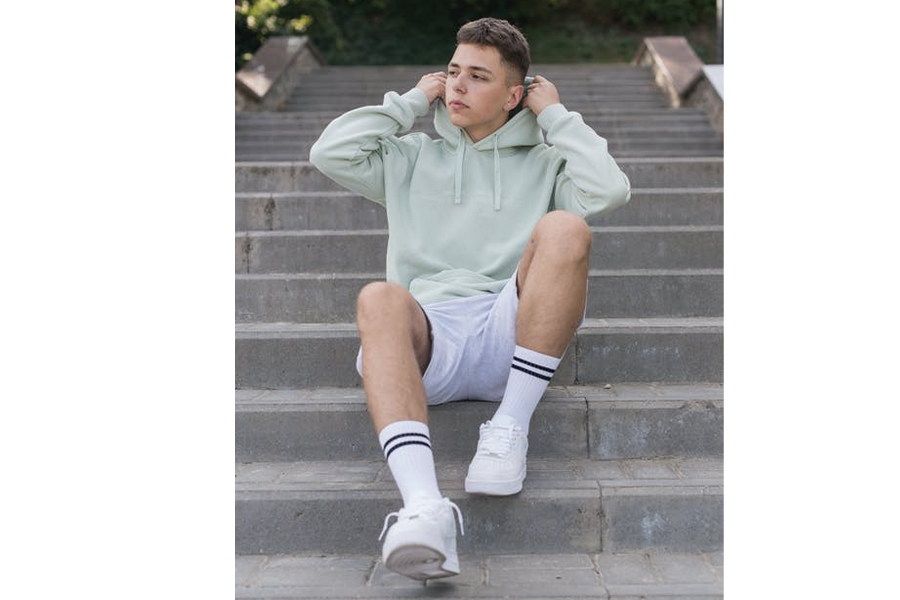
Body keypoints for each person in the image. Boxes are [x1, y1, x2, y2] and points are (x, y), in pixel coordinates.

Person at [309, 17, 631, 581]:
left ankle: (509, 428)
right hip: (428, 339)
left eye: (477, 76)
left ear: (514, 95)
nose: (456, 85)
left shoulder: (547, 164)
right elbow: (329, 153)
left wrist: (554, 116)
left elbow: (609, 190)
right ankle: (424, 509)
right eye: (452, 71)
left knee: (565, 229)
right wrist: (410, 102)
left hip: (512, 329)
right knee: (378, 297)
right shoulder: (409, 158)